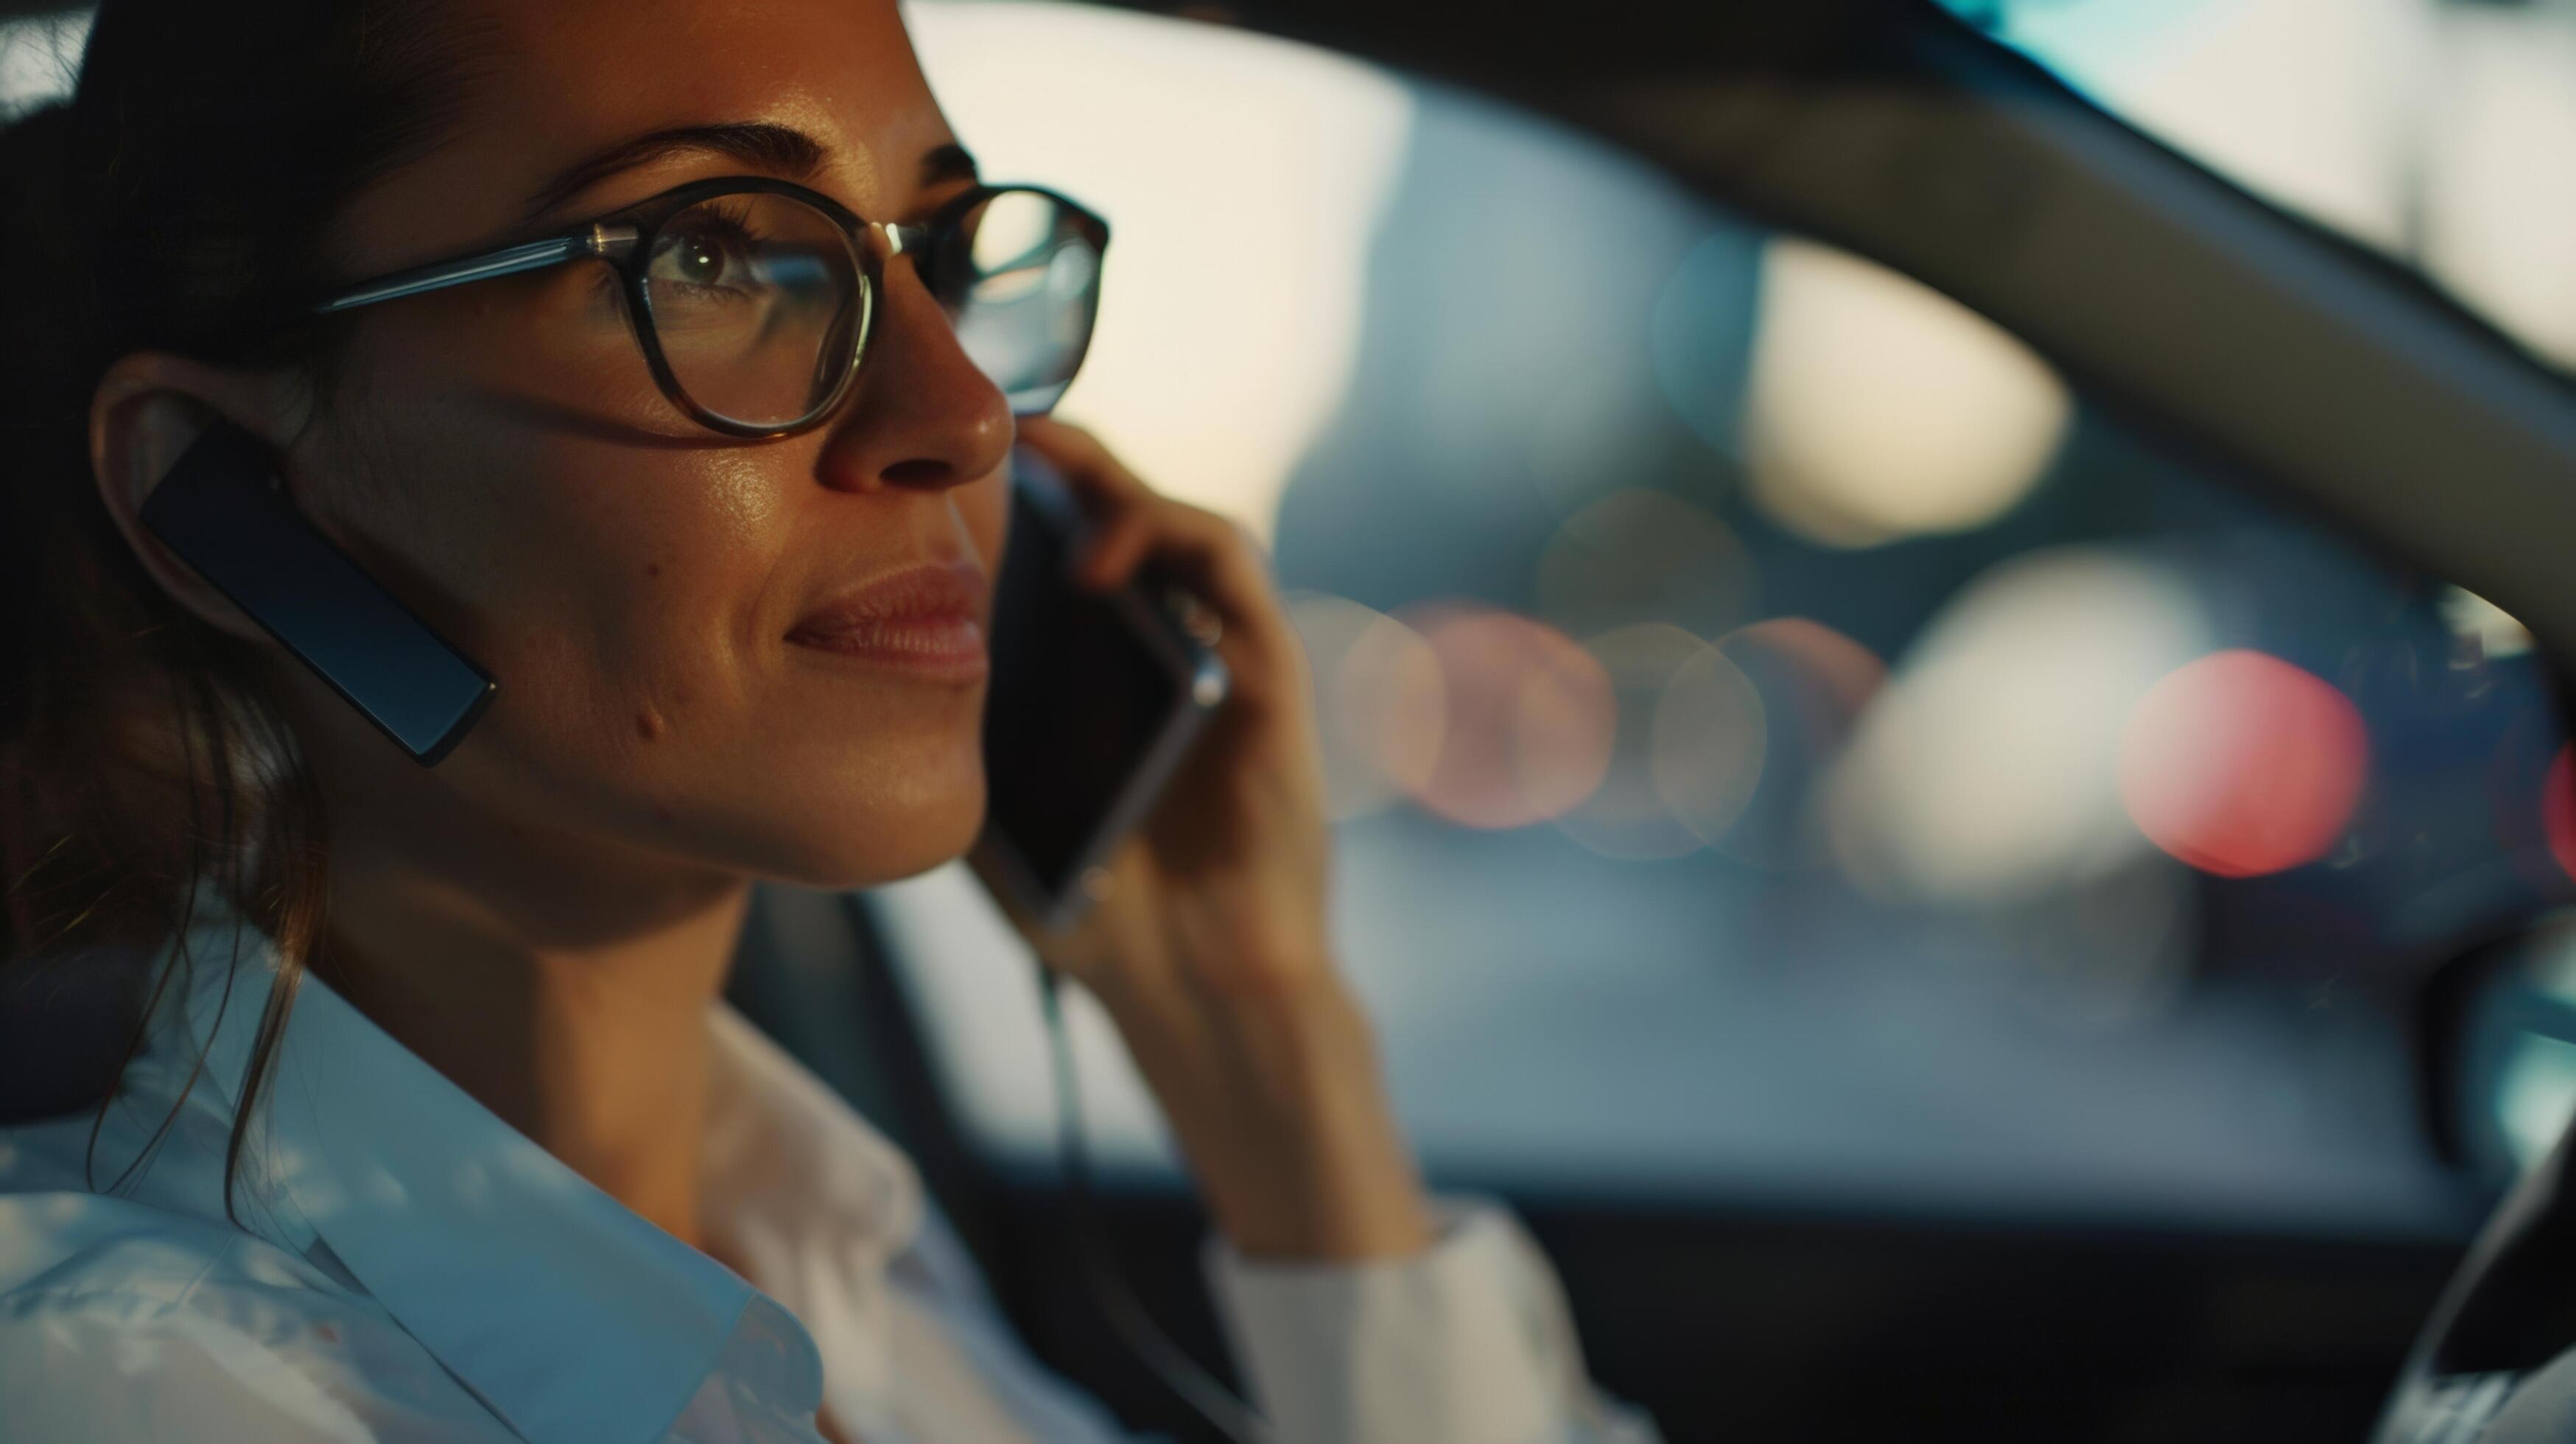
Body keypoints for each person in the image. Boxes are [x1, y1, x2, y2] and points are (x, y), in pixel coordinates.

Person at [0, 1, 1661, 1440]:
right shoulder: (126, 1390)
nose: (958, 413)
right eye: (710, 254)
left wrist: (1258, 1026)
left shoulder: (845, 1255)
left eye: (935, 254)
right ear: (221, 497)